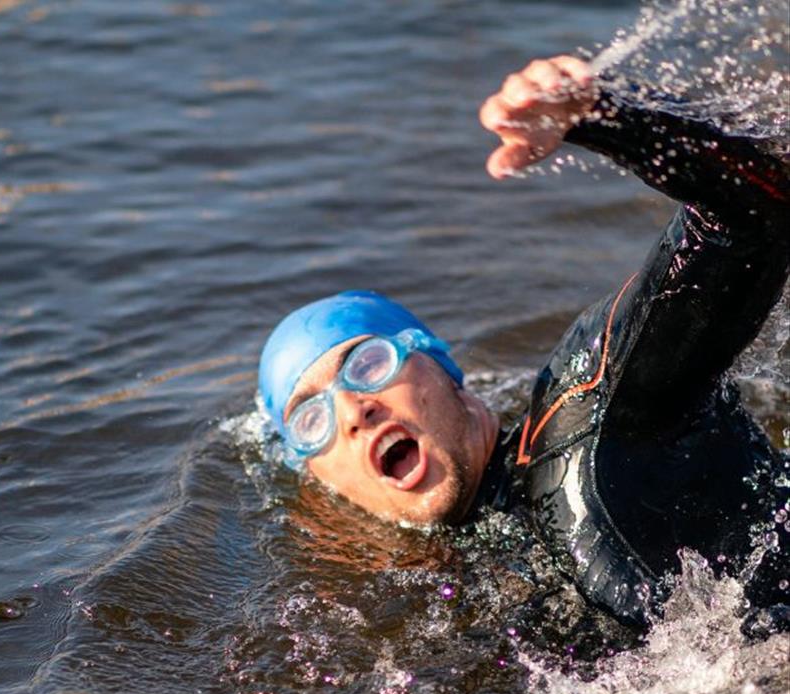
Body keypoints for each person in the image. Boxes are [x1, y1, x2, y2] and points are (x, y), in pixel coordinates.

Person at [256, 55, 789, 626]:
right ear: (325, 485)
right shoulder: (434, 601)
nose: (354, 411)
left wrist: (606, 114)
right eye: (312, 420)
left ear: (443, 370)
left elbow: (757, 213)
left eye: (368, 363)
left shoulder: (588, 411)